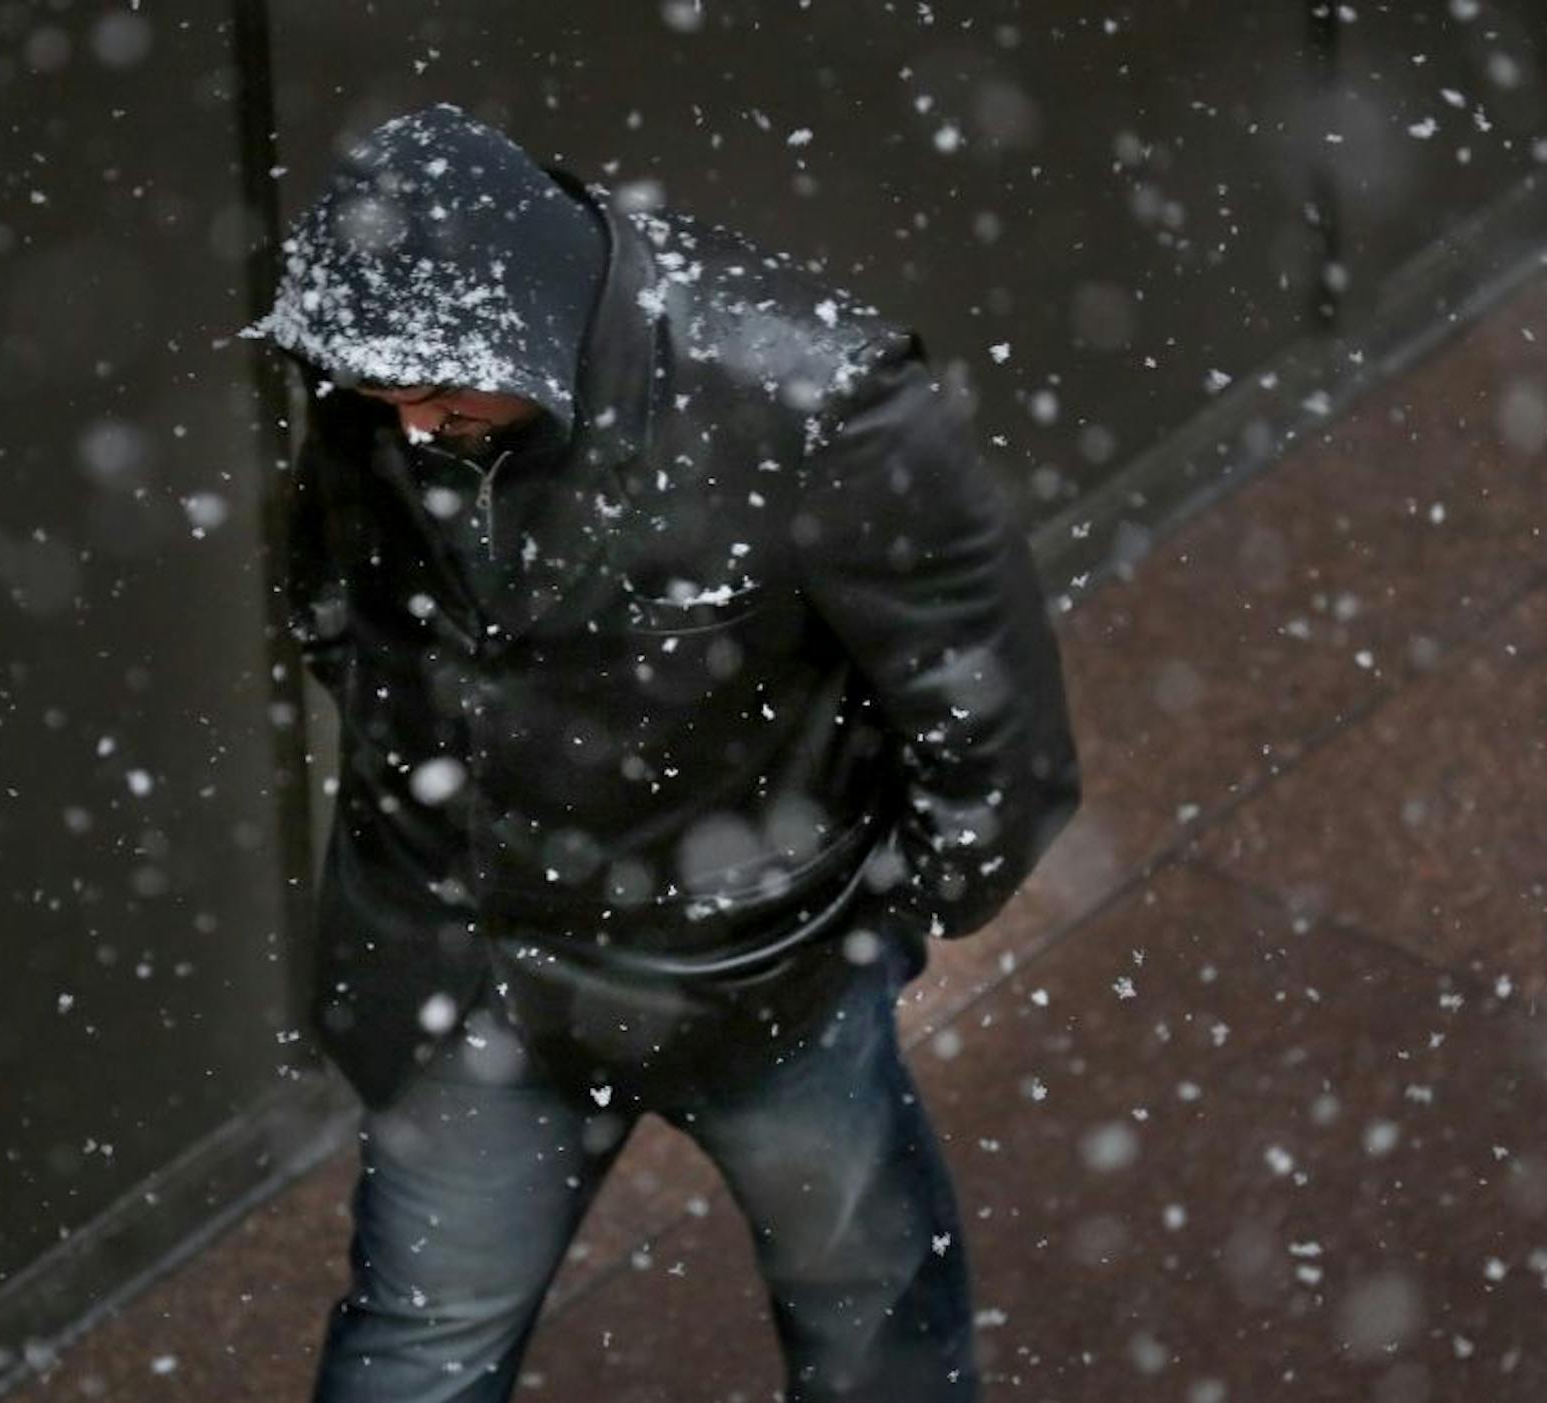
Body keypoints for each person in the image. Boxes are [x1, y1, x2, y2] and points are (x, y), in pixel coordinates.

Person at [251, 103, 1082, 1402]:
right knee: (417, 1345)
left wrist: (875, 910)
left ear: (520, 319)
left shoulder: (810, 397)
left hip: (755, 975)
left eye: (436, 394)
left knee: (870, 1323)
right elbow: (332, 602)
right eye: (382, 397)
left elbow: (988, 714)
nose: (408, 425)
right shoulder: (392, 391)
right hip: (467, 967)